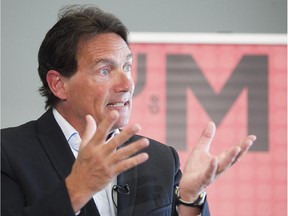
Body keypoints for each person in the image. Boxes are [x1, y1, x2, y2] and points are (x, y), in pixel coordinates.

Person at [1, 5, 256, 216]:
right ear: (59, 84)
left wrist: (189, 200)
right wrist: (77, 190)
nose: (127, 85)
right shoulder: (9, 152)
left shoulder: (160, 160)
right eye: (105, 70)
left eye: (127, 67)